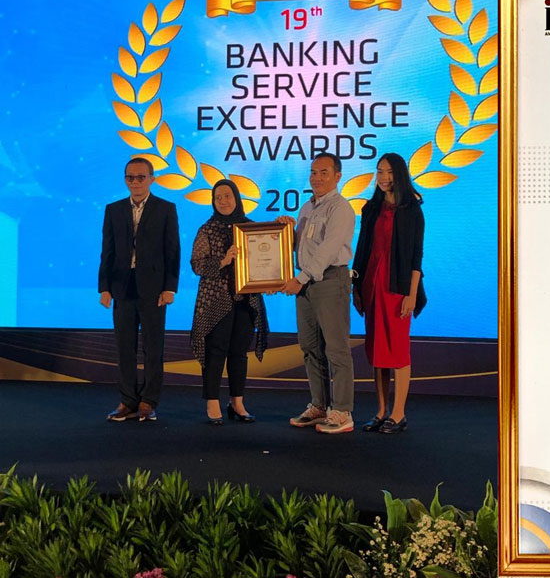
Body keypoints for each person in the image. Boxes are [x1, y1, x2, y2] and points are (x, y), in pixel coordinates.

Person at [279, 153, 357, 434]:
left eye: (324, 172)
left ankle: (342, 412)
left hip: (329, 280)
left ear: (337, 176)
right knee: (310, 347)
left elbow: (327, 251)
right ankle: (319, 406)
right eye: (313, 172)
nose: (317, 178)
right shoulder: (307, 207)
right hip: (307, 283)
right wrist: (285, 233)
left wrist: (300, 279)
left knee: (336, 348)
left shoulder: (341, 209)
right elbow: (303, 247)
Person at [99, 157, 180, 422]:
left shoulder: (166, 208)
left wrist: (170, 288)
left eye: (141, 177)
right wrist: (104, 288)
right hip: (122, 287)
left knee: (153, 348)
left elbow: (172, 251)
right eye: (130, 177)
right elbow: (107, 251)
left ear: (151, 179)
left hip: (154, 289)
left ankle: (148, 401)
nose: (135, 182)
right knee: (125, 347)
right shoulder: (113, 209)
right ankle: (127, 401)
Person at [352, 153, 426, 434]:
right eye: (380, 171)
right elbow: (361, 249)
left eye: (389, 172)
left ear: (400, 174)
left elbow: (416, 257)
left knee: (397, 350)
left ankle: (399, 413)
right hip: (372, 285)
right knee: (377, 350)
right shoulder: (371, 208)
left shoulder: (412, 210)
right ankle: (381, 411)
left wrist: (411, 294)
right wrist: (356, 286)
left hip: (398, 289)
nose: (384, 178)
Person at [190, 179, 269, 424]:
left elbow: (265, 262)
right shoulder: (207, 229)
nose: (223, 201)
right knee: (215, 351)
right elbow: (197, 265)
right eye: (218, 197)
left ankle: (237, 402)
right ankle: (212, 402)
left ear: (237, 198)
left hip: (246, 299)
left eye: (227, 196)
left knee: (239, 352)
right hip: (216, 300)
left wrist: (270, 280)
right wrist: (223, 261)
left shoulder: (250, 228)